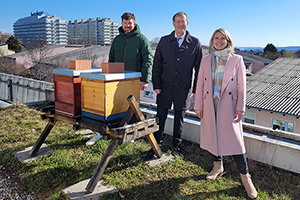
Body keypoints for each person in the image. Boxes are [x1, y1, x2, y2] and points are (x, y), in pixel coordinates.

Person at [194, 28, 257, 199]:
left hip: (229, 105)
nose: (219, 41)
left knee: (236, 142)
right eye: (216, 38)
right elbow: (199, 84)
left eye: (223, 38)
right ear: (212, 41)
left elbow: (242, 87)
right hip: (209, 103)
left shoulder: (237, 60)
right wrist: (198, 105)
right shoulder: (206, 60)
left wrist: (240, 108)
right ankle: (217, 166)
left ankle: (245, 177)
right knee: (213, 135)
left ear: (228, 41)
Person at [86, 12, 153, 146]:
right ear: (121, 23)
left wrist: (145, 79)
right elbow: (111, 58)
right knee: (111, 105)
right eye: (125, 23)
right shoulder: (117, 39)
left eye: (130, 23)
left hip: (133, 80)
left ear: (134, 23)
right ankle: (102, 131)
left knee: (132, 107)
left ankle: (131, 133)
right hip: (115, 80)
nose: (128, 26)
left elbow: (148, 60)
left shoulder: (142, 39)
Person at [144, 11, 202, 159]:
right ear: (173, 23)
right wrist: (156, 84)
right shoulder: (164, 41)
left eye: (183, 21)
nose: (180, 24)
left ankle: (177, 145)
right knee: (160, 116)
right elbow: (157, 64)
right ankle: (157, 144)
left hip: (183, 87)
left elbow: (199, 69)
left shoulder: (195, 43)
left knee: (179, 117)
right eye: (177, 21)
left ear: (187, 23)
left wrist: (196, 89)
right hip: (165, 86)